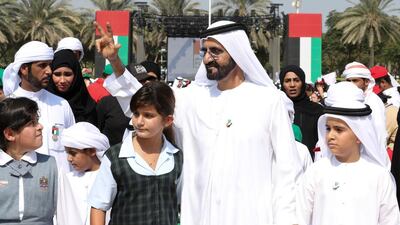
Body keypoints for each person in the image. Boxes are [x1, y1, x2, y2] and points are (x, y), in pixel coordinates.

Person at [95, 20, 301, 225]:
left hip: (251, 216)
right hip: (200, 215)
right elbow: (144, 102)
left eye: (215, 51)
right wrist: (115, 61)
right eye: (205, 51)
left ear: (237, 53)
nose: (207, 59)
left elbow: (287, 170)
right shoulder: (192, 99)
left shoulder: (268, 101)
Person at [296, 82, 400, 225]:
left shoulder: (379, 176)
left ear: (359, 134)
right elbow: (300, 219)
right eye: (328, 128)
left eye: (339, 130)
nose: (330, 135)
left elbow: (390, 221)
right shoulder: (316, 172)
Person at [89, 81, 182, 225]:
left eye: (148, 115)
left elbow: (184, 203)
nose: (139, 121)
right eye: (136, 114)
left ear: (168, 120)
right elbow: (98, 207)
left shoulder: (177, 158)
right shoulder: (115, 157)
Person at [0, 97, 79, 225]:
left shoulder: (51, 166)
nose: (40, 127)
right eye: (31, 124)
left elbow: (65, 213)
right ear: (10, 134)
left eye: (37, 121)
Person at [2, 41, 75, 172]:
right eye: (42, 65)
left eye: (49, 65)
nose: (49, 71)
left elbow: (74, 148)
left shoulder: (61, 104)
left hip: (59, 185)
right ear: (24, 69)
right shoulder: (9, 106)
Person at [61, 122, 110, 225]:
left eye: (73, 153)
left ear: (92, 151)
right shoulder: (66, 180)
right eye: (67, 153)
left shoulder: (110, 178)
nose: (69, 159)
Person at [343, 61, 389, 168]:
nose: (351, 84)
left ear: (367, 82)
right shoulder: (348, 100)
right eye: (348, 81)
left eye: (355, 81)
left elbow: (379, 135)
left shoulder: (373, 102)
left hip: (370, 159)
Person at [280, 65, 323, 159]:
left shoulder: (317, 111)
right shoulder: (277, 110)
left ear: (302, 83)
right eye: (287, 81)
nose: (292, 85)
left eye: (296, 80)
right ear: (282, 84)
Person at [47, 49, 97, 125]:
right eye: (57, 74)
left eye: (67, 74)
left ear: (76, 75)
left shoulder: (88, 106)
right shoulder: (43, 104)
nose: (62, 80)